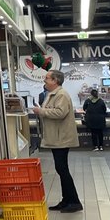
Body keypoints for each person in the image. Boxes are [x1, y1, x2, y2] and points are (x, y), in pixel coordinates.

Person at [38, 70, 82, 212]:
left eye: (47, 78)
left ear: (55, 80)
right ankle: (66, 200)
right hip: (56, 137)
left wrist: (41, 112)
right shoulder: (53, 94)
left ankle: (74, 202)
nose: (44, 80)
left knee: (62, 168)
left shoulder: (61, 95)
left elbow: (60, 113)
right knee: (61, 168)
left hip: (61, 138)